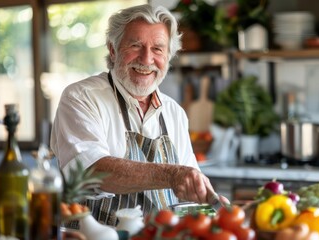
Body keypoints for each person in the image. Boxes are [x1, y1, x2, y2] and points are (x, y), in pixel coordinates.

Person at [50, 4, 227, 226]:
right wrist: (172, 174)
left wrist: (210, 202)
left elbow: (188, 186)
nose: (146, 59)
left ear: (168, 57)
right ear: (113, 50)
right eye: (136, 45)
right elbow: (91, 171)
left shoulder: (174, 113)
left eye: (158, 49)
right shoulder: (81, 97)